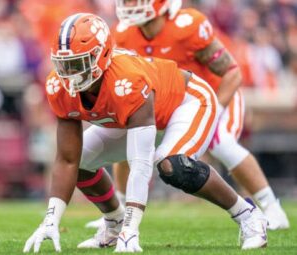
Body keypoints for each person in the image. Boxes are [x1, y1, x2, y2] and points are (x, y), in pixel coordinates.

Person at [23, 13, 268, 253]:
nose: (70, 73)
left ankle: (248, 215)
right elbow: (67, 159)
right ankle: (114, 222)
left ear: (102, 55)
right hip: (138, 116)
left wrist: (133, 230)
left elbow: (140, 164)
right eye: (64, 64)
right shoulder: (59, 86)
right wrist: (51, 220)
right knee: (80, 162)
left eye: (78, 63)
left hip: (186, 102)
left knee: (173, 165)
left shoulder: (127, 80)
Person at [85, 0, 289, 230]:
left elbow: (231, 72)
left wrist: (217, 112)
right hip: (171, 104)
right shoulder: (122, 33)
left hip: (213, 95)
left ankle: (272, 208)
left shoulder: (187, 26)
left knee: (220, 142)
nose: (133, 4)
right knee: (126, 129)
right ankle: (119, 208)